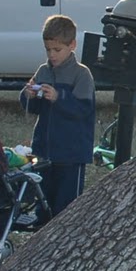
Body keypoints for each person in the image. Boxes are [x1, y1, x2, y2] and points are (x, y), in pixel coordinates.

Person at [19, 14, 96, 219]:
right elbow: (33, 108)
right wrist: (29, 95)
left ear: (72, 45)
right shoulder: (43, 71)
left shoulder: (81, 74)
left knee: (67, 207)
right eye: (48, 50)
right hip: (45, 150)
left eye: (57, 50)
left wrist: (59, 97)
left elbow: (84, 110)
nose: (52, 55)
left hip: (71, 153)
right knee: (44, 203)